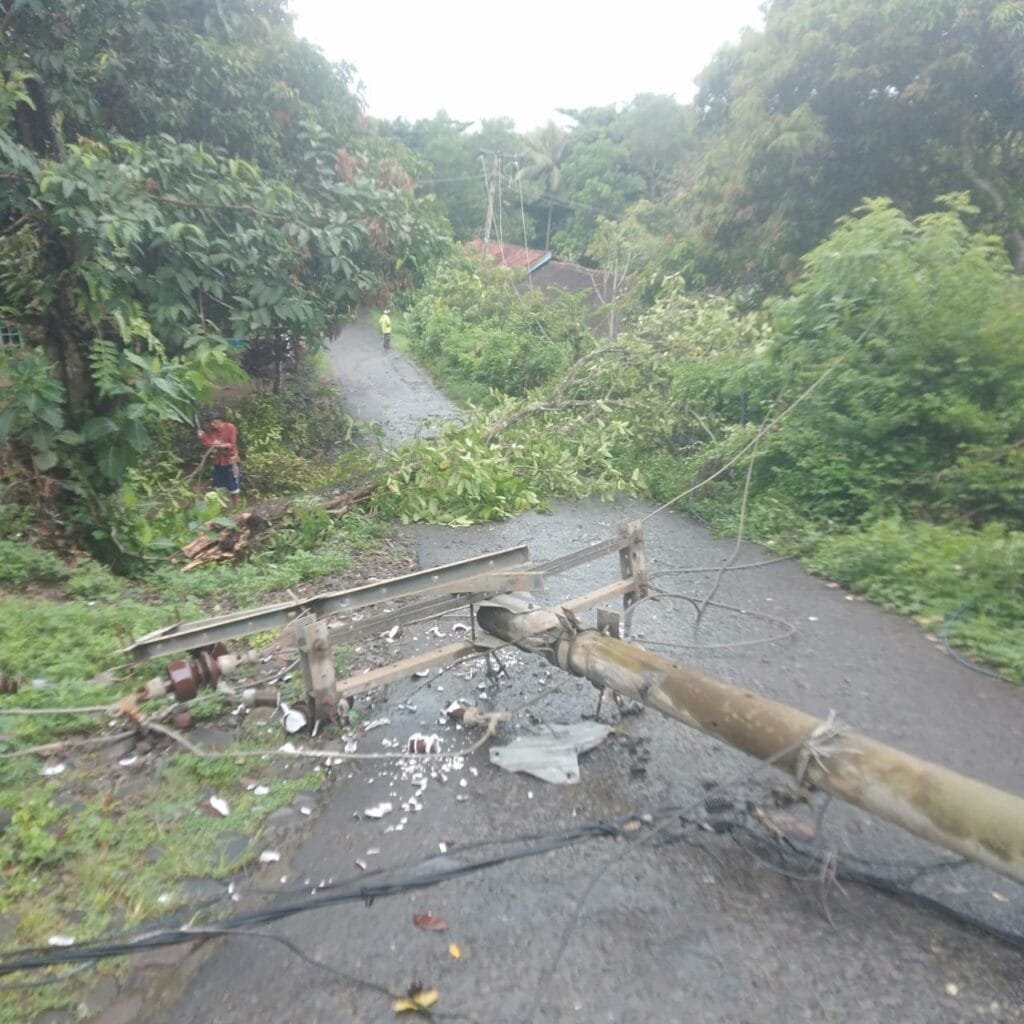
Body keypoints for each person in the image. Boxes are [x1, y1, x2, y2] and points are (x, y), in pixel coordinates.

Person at [197, 410, 242, 508]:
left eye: (214, 422)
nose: (212, 424)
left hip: (231, 461)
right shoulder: (211, 432)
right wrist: (203, 437)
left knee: (233, 485)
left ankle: (236, 507)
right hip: (219, 462)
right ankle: (219, 507)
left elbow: (232, 444)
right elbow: (209, 444)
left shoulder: (230, 427)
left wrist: (221, 445)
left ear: (220, 420)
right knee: (218, 485)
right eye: (210, 422)